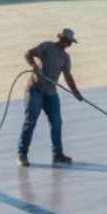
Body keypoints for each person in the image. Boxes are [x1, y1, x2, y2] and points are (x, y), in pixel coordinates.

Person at [18, 28, 83, 166]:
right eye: (68, 41)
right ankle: (22, 154)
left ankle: (57, 155)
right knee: (30, 122)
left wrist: (76, 92)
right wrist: (35, 66)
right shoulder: (47, 46)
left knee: (57, 123)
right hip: (35, 89)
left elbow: (68, 76)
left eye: (71, 42)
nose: (69, 44)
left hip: (51, 93)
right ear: (62, 39)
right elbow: (28, 54)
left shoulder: (65, 57)